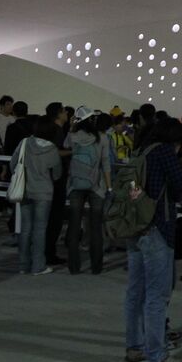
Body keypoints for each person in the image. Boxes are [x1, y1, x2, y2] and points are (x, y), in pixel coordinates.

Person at [123, 117, 182, 362]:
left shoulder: (141, 150)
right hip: (156, 229)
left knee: (136, 292)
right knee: (157, 294)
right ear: (175, 140)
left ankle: (135, 346)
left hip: (135, 227)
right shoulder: (165, 152)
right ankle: (157, 355)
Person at [12, 117, 63, 275]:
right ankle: (38, 265)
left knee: (25, 228)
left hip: (25, 190)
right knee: (40, 229)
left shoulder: (25, 143)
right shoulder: (52, 149)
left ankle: (23, 264)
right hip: (44, 192)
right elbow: (57, 173)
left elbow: (13, 162)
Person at [65, 107, 112, 274]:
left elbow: (65, 146)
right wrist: (109, 186)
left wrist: (72, 126)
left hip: (75, 185)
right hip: (96, 186)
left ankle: (73, 266)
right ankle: (96, 267)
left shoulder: (72, 136)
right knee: (96, 227)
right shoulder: (103, 138)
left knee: (74, 225)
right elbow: (106, 164)